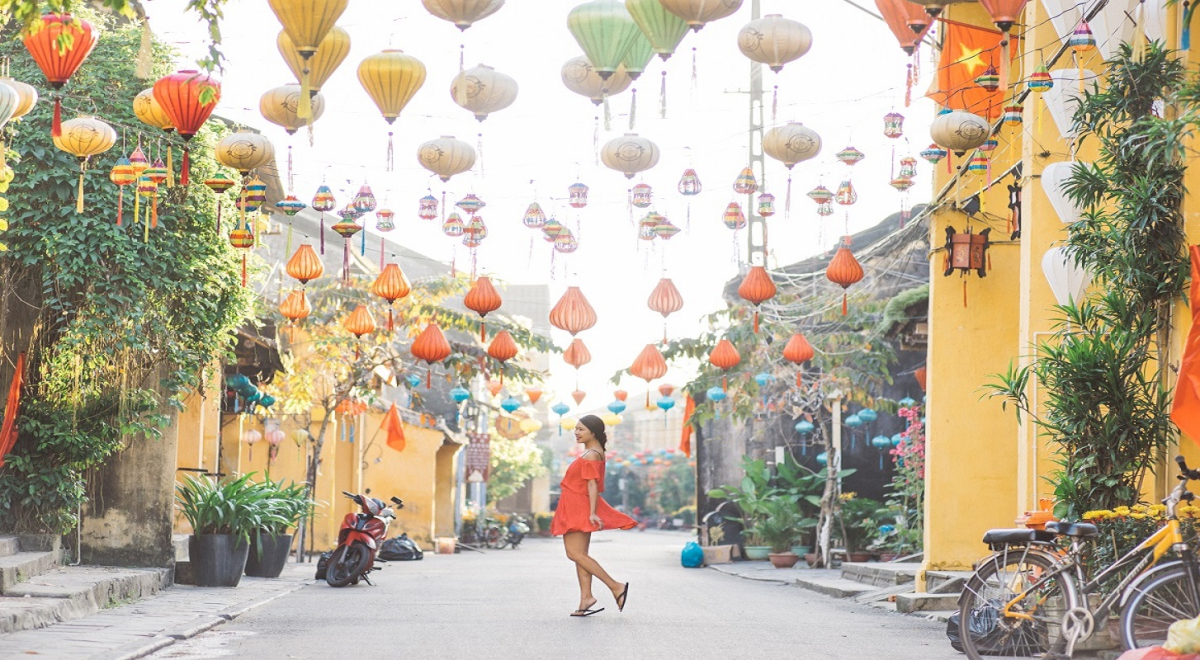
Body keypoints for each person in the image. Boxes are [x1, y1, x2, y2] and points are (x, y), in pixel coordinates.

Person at [550, 414, 636, 617]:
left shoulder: (591, 454)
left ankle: (616, 586)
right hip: (575, 503)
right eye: (576, 429)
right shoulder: (594, 452)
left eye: (581, 429)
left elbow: (592, 484)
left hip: (578, 505)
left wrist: (591, 513)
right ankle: (586, 598)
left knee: (574, 554)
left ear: (593, 432)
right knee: (581, 555)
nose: (576, 433)